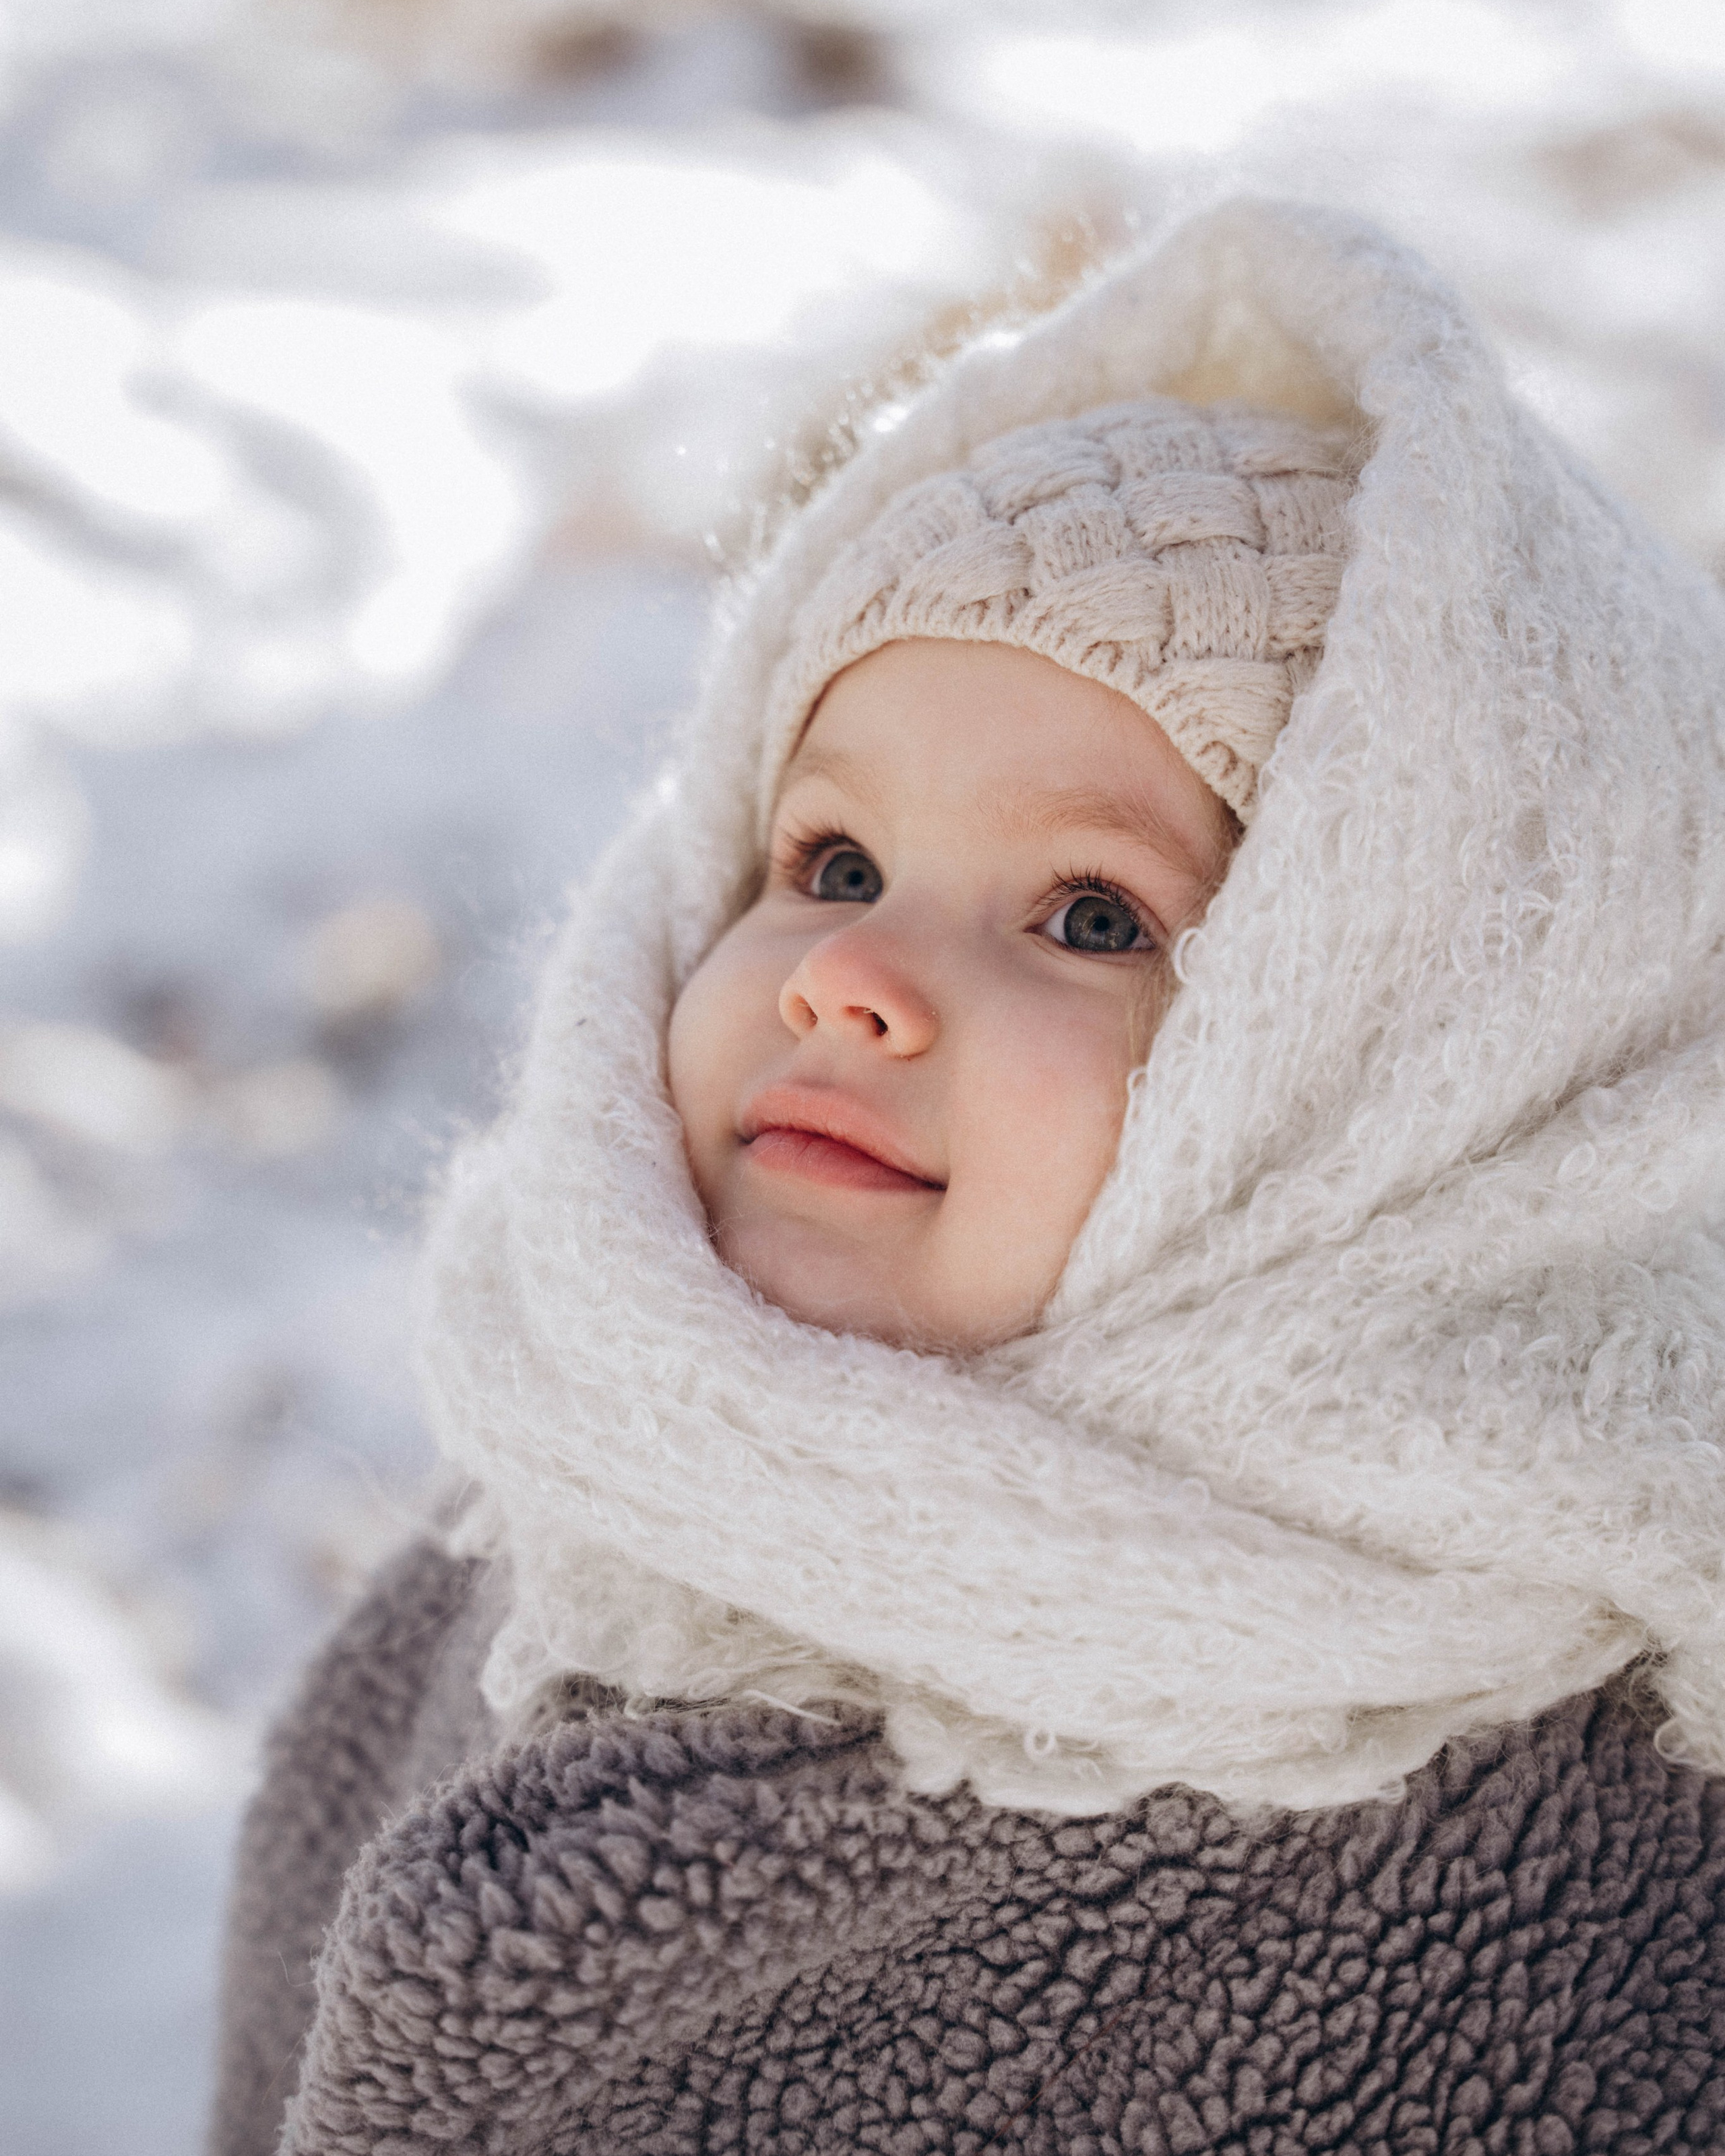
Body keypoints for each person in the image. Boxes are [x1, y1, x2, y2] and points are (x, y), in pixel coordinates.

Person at [210, 200, 1725, 2155]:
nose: (850, 981)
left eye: (1093, 914)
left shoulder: (1556, 1913)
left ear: (1391, 1095)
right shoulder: (554, 1508)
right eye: (832, 864)